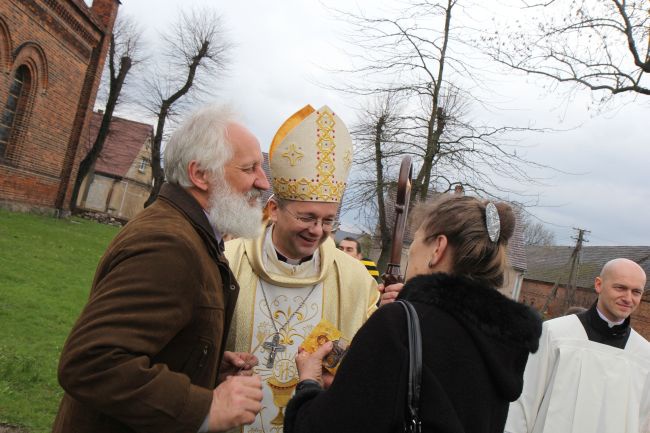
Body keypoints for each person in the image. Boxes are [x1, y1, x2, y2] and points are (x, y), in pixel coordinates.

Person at [53, 105, 269, 433]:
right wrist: (206, 406)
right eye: (249, 168)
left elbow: (151, 341)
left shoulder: (191, 234)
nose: (263, 182)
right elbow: (91, 362)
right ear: (200, 175)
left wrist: (202, 363)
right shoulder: (169, 243)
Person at [284, 194, 543, 433]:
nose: (411, 251)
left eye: (416, 239)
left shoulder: (399, 325)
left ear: (438, 248)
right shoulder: (504, 340)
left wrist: (308, 383)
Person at [224, 104, 380, 433]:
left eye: (328, 221)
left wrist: (389, 315)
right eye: (307, 217)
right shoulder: (228, 260)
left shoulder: (354, 280)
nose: (317, 230)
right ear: (273, 209)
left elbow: (369, 363)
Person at [505, 258, 650, 433]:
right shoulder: (555, 333)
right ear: (599, 285)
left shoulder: (644, 354)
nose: (628, 298)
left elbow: (644, 421)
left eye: (636, 292)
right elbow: (525, 401)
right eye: (620, 288)